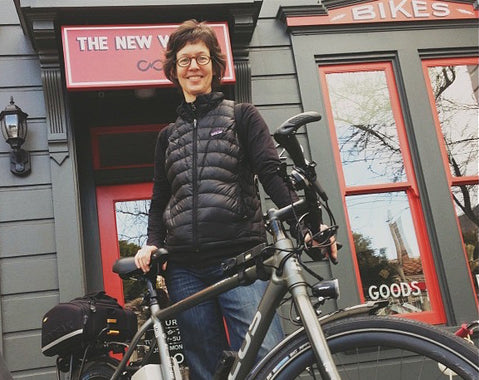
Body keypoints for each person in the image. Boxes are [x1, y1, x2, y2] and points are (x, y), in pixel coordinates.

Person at [135, 19, 337, 379]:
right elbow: (159, 199)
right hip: (185, 271)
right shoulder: (167, 137)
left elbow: (272, 173)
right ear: (174, 71)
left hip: (243, 263)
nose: (193, 66)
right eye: (184, 60)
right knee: (205, 368)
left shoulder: (242, 116)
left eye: (200, 58)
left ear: (214, 64)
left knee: (267, 363)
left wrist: (307, 224)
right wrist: (152, 243)